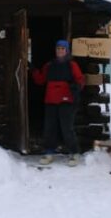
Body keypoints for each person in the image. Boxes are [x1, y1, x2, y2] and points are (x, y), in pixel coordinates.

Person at [30, 39, 84, 167]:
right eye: (58, 49)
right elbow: (40, 80)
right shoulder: (49, 65)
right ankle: (49, 152)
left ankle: (74, 153)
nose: (60, 51)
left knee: (67, 128)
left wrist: (76, 86)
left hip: (66, 100)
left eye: (62, 49)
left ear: (67, 51)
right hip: (51, 100)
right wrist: (33, 71)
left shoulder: (72, 65)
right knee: (50, 128)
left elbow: (80, 80)